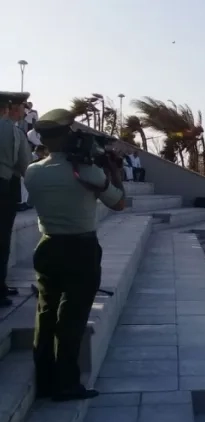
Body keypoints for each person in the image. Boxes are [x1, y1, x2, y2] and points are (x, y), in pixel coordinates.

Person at [26, 108, 127, 401]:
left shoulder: (33, 172)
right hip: (80, 250)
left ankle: (44, 380)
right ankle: (67, 383)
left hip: (47, 246)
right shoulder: (87, 172)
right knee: (71, 319)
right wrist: (113, 171)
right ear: (68, 135)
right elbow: (119, 203)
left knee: (46, 314)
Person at [0, 91, 32, 306]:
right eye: (22, 107)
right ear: (10, 108)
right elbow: (26, 167)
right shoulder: (13, 132)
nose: (23, 111)